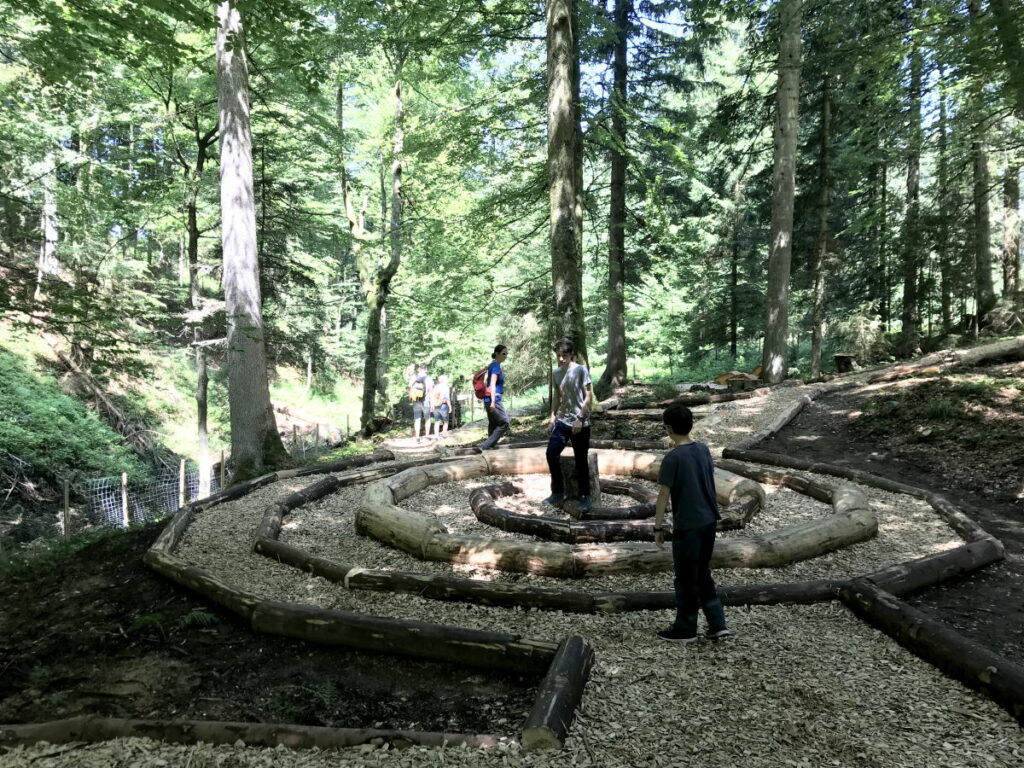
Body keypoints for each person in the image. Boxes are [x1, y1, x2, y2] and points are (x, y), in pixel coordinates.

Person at [653, 404, 734, 643]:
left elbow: (663, 496)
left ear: (668, 428)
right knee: (702, 571)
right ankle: (717, 623)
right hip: (709, 520)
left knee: (686, 576)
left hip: (688, 525)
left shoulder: (673, 458)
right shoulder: (703, 449)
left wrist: (657, 527)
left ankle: (686, 627)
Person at [543, 337, 593, 512]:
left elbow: (588, 395)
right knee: (551, 453)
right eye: (558, 355)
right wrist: (552, 416)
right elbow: (557, 396)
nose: (561, 359)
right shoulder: (556, 373)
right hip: (563, 421)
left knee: (581, 460)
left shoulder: (581, 370)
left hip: (581, 422)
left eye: (565, 355)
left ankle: (585, 496)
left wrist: (580, 417)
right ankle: (557, 492)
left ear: (571, 354)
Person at [480, 344, 510, 450]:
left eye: (506, 354)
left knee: (493, 423)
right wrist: (493, 401)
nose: (505, 356)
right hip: (494, 399)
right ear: (496, 354)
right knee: (505, 422)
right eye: (503, 354)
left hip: (488, 399)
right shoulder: (496, 366)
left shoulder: (492, 365)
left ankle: (490, 446)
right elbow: (492, 384)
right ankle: (485, 446)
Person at [408, 363, 433, 442]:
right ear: (426, 369)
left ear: (419, 369)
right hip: (426, 400)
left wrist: (411, 397)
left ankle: (417, 437)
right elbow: (431, 391)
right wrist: (432, 403)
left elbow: (410, 388)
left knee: (417, 419)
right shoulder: (428, 378)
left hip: (416, 400)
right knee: (427, 418)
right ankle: (427, 436)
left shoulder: (413, 377)